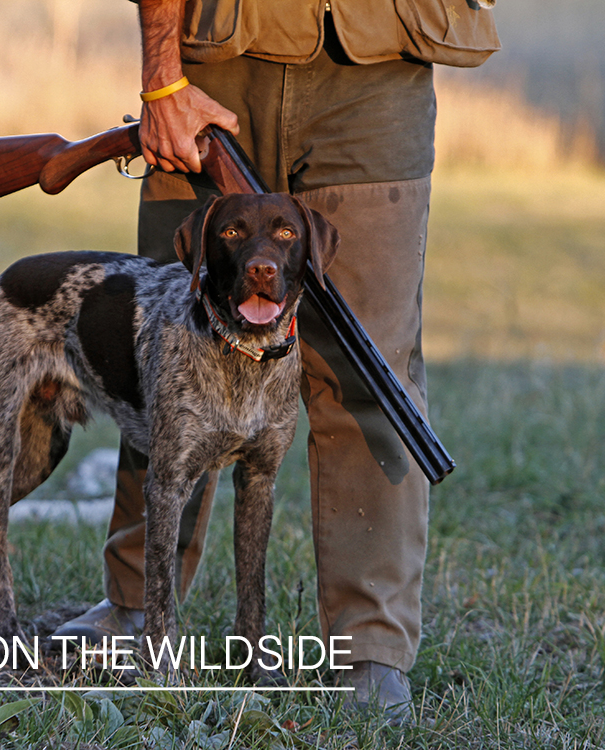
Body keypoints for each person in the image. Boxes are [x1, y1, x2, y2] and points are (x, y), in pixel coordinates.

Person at [55, 0, 498, 721]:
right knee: (176, 345)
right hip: (213, 55)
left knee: (371, 373)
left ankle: (369, 650)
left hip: (379, 63)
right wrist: (162, 79)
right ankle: (135, 603)